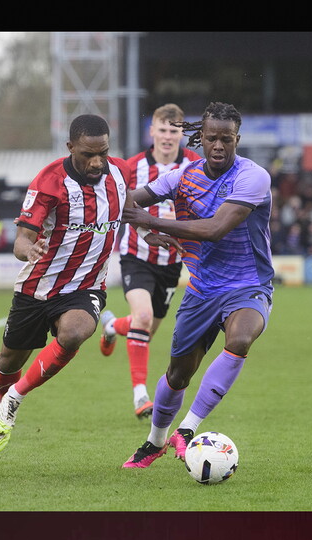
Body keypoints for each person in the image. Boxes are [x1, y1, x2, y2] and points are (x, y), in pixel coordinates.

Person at [119, 102, 275, 469]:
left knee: (240, 339)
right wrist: (144, 227)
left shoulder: (253, 177)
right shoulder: (181, 177)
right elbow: (124, 203)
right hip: (202, 289)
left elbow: (216, 229)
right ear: (199, 138)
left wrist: (151, 221)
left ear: (237, 139)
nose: (218, 145)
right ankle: (154, 443)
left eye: (227, 139)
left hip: (248, 285)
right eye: (211, 138)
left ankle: (187, 430)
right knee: (177, 375)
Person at [0, 114, 142, 453]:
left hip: (85, 286)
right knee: (9, 361)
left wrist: (152, 233)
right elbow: (21, 241)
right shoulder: (49, 182)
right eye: (88, 154)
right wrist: (30, 248)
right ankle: (3, 400)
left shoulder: (120, 173)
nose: (97, 161)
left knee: (73, 333)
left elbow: (130, 210)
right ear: (70, 147)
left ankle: (15, 397)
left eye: (103, 152)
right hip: (37, 286)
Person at [98, 103, 202, 419]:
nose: (168, 137)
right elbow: (117, 206)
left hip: (172, 263)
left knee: (145, 330)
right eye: (163, 130)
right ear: (152, 131)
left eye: (174, 131)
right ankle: (141, 397)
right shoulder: (131, 168)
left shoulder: (196, 165)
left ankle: (113, 326)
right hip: (137, 256)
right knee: (142, 317)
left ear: (182, 134)